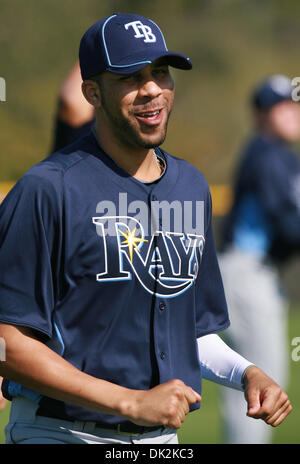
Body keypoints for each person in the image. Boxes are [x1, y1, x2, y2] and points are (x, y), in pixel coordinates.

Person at [0, 14, 292, 445]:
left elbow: (191, 329)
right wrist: (128, 401)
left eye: (160, 72)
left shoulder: (191, 186)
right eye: (131, 77)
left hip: (159, 441)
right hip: (60, 432)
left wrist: (245, 373)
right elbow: (7, 341)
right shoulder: (46, 189)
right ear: (92, 93)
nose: (152, 88)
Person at [218, 74, 300, 444]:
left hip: (252, 274)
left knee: (253, 384)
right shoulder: (267, 154)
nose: (291, 112)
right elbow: (286, 222)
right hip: (247, 273)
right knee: (261, 384)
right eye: (280, 106)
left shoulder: (277, 154)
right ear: (261, 114)